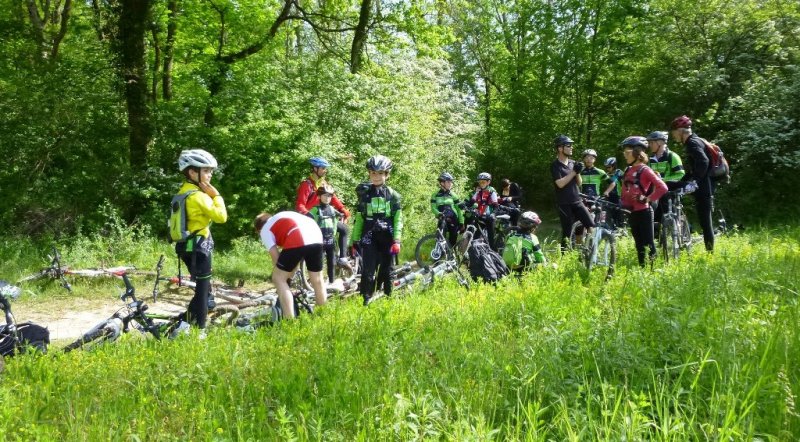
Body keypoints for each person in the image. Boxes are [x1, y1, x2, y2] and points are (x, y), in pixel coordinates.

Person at [170, 149, 228, 336]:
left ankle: (185, 324)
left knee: (205, 291)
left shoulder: (184, 192)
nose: (210, 174)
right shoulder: (198, 196)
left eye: (210, 171)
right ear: (192, 172)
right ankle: (198, 331)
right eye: (206, 170)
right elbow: (221, 217)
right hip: (199, 248)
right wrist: (216, 195)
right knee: (203, 292)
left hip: (185, 246)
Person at [350, 155, 403, 305]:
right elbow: (359, 218)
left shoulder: (393, 195)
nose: (376, 177)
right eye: (373, 173)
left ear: (387, 175)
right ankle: (365, 301)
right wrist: (354, 241)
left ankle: (388, 300)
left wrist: (397, 240)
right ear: (369, 174)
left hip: (388, 236)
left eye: (380, 173)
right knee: (368, 270)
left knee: (388, 270)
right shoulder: (365, 194)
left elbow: (398, 219)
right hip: (369, 235)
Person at [255, 211, 326, 319]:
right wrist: (289, 275)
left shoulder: (265, 230)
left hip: (297, 234)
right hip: (315, 233)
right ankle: (322, 315)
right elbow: (293, 260)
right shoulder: (280, 218)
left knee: (278, 279)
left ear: (259, 228)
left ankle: (289, 320)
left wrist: (284, 280)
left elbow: (276, 258)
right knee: (317, 279)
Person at [619, 136, 668, 267]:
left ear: (637, 153)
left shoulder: (644, 169)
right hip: (631, 212)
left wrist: (647, 198)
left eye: (627, 152)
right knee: (638, 244)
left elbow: (663, 187)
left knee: (648, 243)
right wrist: (622, 205)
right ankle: (642, 269)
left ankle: (653, 270)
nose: (625, 155)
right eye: (624, 152)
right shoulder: (628, 170)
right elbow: (623, 193)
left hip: (644, 212)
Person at [670, 115, 715, 252]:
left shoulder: (692, 143)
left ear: (681, 131)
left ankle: (710, 253)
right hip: (704, 184)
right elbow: (696, 167)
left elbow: (704, 162)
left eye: (674, 132)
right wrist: (684, 180)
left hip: (703, 186)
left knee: (705, 222)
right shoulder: (695, 140)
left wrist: (694, 182)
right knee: (705, 220)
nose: (674, 135)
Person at [295, 157, 351, 265]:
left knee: (343, 229)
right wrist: (308, 215)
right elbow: (300, 205)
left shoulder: (324, 183)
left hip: (325, 216)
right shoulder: (306, 185)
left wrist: (342, 209)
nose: (325, 170)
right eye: (323, 168)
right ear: (315, 168)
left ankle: (342, 258)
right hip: (313, 219)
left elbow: (333, 198)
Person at [551, 135, 594, 252]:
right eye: (568, 145)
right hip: (564, 203)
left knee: (590, 225)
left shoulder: (572, 163)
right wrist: (574, 172)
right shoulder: (555, 165)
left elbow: (579, 183)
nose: (571, 148)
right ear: (560, 148)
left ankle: (588, 252)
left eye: (571, 145)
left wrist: (578, 172)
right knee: (567, 232)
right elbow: (560, 184)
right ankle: (565, 257)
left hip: (577, 201)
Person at [647, 130, 686, 230]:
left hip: (670, 190)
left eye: (652, 142)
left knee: (671, 214)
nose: (650, 145)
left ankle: (683, 231)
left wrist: (663, 180)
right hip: (657, 191)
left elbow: (680, 174)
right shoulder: (651, 159)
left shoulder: (672, 156)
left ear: (660, 143)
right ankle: (658, 237)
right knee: (656, 215)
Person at [307, 185, 343, 284]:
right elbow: (307, 220)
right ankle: (319, 282)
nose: (327, 198)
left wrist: (334, 233)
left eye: (329, 196)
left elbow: (335, 222)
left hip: (330, 239)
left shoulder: (332, 209)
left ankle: (332, 281)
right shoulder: (315, 210)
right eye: (325, 196)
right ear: (319, 197)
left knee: (331, 262)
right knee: (319, 263)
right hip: (319, 240)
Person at [430, 172, 464, 247]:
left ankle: (451, 256)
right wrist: (438, 213)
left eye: (451, 182)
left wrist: (461, 222)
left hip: (453, 218)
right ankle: (438, 255)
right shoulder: (435, 195)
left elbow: (458, 210)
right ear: (442, 183)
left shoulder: (454, 195)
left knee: (453, 240)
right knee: (440, 237)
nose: (450, 184)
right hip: (442, 217)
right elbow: (433, 208)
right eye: (448, 182)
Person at [470, 172, 500, 250]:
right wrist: (463, 204)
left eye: (483, 182)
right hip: (480, 215)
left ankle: (494, 253)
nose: (481, 184)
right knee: (475, 236)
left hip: (489, 217)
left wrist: (493, 214)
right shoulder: (478, 191)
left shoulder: (491, 191)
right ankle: (474, 253)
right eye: (480, 182)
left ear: (488, 182)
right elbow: (471, 201)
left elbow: (496, 206)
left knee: (491, 238)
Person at [602, 157, 624, 228]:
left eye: (609, 167)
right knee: (610, 214)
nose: (607, 169)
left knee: (619, 213)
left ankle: (621, 228)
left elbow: (616, 181)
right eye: (606, 167)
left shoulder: (619, 172)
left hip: (618, 196)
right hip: (609, 196)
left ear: (614, 166)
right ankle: (612, 229)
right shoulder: (606, 174)